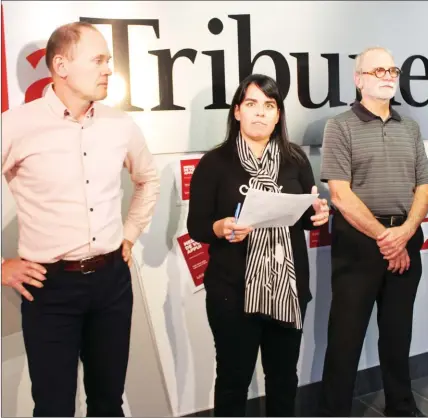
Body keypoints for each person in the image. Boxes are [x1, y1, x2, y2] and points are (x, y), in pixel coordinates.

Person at [1, 22, 160, 417]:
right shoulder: (16, 125)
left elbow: (148, 179)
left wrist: (129, 233)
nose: (109, 70)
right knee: (53, 408)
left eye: (109, 60)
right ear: (61, 65)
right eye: (99, 60)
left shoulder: (119, 124)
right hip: (50, 288)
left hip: (111, 283)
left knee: (108, 402)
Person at [187, 73, 330, 417]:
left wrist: (318, 215)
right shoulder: (215, 162)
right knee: (234, 380)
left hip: (288, 288)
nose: (260, 113)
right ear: (237, 111)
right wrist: (220, 228)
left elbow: (304, 215)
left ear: (278, 114)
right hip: (232, 292)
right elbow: (197, 226)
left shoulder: (295, 159)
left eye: (269, 105)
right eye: (251, 104)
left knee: (283, 378)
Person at [318, 46, 428, 417]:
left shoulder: (410, 127)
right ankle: (335, 411)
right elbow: (340, 194)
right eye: (378, 70)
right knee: (345, 338)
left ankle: (401, 405)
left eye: (392, 70)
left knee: (398, 334)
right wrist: (387, 239)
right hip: (358, 244)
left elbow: (424, 187)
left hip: (405, 236)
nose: (387, 75)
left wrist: (404, 233)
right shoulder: (339, 126)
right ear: (359, 80)